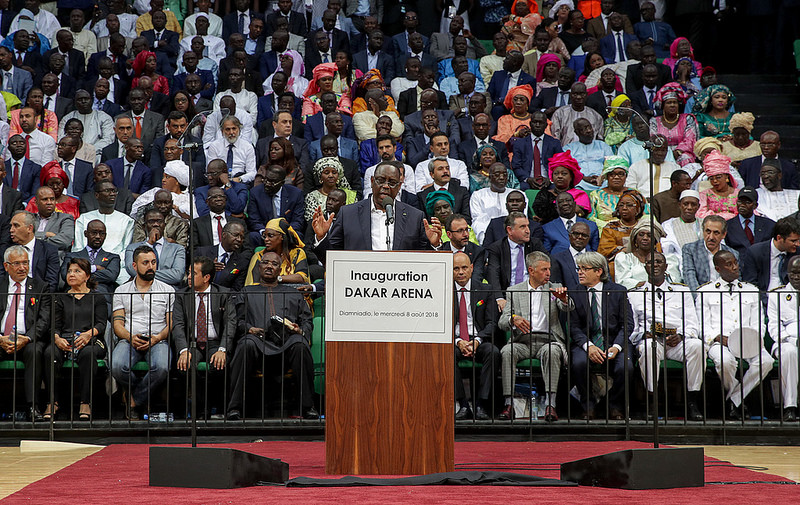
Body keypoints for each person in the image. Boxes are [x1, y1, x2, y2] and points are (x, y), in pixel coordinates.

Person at [226, 251, 317, 420]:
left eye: (274, 264)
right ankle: (234, 408)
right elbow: (237, 321)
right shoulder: (247, 291)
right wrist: (250, 329)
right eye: (265, 263)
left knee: (300, 344)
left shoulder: (293, 293)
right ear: (259, 266)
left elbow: (307, 321)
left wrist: (300, 331)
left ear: (280, 269)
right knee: (246, 343)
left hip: (286, 343)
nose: (269, 266)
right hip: (257, 342)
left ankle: (308, 407)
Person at [696, 250, 773, 420]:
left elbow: (759, 322)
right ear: (718, 268)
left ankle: (734, 398)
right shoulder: (706, 291)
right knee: (725, 361)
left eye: (735, 263)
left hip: (747, 340)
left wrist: (752, 337)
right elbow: (701, 323)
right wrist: (715, 336)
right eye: (729, 264)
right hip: (719, 342)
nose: (735, 267)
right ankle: (737, 401)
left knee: (766, 361)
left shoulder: (750, 290)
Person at [498, 250, 574, 421]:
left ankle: (550, 405)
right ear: (531, 271)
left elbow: (569, 308)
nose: (548, 273)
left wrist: (563, 299)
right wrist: (513, 318)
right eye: (544, 270)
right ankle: (509, 404)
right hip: (523, 341)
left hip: (548, 340)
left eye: (549, 269)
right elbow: (502, 322)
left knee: (552, 351)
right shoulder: (514, 290)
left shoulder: (555, 288)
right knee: (507, 351)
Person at [627, 251, 704, 421]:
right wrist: (644, 335)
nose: (654, 265)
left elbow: (692, 323)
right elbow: (631, 329)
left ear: (666, 266)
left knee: (697, 346)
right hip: (653, 341)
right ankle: (651, 400)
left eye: (659, 261)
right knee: (648, 348)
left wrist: (682, 336)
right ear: (644, 267)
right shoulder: (635, 294)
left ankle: (693, 401)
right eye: (649, 262)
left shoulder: (681, 290)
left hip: (677, 342)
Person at [312, 161, 443, 255]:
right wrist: (321, 237)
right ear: (372, 181)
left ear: (399, 187)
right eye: (381, 180)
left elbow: (425, 261)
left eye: (392, 183)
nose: (386, 186)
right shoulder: (348, 213)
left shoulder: (414, 216)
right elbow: (331, 258)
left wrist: (434, 245)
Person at [111, 245, 174, 420]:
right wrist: (130, 337)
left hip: (158, 338)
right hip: (130, 338)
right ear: (134, 266)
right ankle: (142, 397)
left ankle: (134, 399)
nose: (151, 266)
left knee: (162, 367)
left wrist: (157, 338)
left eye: (153, 262)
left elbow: (171, 324)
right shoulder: (122, 290)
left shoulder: (167, 290)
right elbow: (118, 324)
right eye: (145, 263)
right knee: (117, 365)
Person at [569, 251, 632, 420]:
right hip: (587, 341)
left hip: (613, 341)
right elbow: (574, 327)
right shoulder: (575, 292)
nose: (580, 272)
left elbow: (627, 324)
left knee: (625, 367)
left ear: (599, 271)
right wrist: (588, 346)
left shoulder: (618, 291)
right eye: (579, 268)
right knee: (579, 363)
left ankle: (613, 405)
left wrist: (617, 347)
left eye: (584, 269)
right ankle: (588, 405)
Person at [43, 258, 107, 421]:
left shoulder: (97, 298)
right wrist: (57, 339)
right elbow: (54, 325)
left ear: (87, 276)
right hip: (64, 340)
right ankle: (53, 401)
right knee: (50, 353)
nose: (71, 274)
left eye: (77, 271)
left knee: (88, 354)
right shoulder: (60, 297)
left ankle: (85, 402)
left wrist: (87, 335)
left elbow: (101, 324)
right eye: (70, 271)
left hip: (91, 340)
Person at [171, 256, 237, 415]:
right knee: (185, 366)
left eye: (193, 273)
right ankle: (199, 411)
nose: (188, 277)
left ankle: (216, 409)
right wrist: (183, 350)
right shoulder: (182, 295)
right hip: (192, 343)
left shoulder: (223, 294)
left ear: (206, 277)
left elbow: (231, 323)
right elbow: (178, 325)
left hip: (215, 343)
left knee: (219, 365)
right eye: (188, 273)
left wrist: (223, 349)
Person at [0, 245, 51, 421]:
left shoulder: (40, 286)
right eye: (17, 264)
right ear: (6, 266)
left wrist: (27, 338)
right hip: (2, 337)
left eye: (25, 263)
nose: (22, 267)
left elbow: (44, 320)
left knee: (35, 351)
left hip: (28, 339)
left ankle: (32, 406)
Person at [452, 251, 501, 420]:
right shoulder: (444, 290)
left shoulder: (485, 289)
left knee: (493, 352)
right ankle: (463, 405)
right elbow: (443, 324)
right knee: (447, 354)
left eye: (464, 267)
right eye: (456, 268)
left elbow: (492, 323)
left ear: (472, 268)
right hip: (456, 341)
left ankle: (481, 404)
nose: (460, 272)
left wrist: (478, 341)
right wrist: (458, 341)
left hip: (478, 339)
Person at [766, 255, 800, 422]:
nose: (796, 277)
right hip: (786, 341)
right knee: (790, 352)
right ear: (787, 273)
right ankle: (790, 406)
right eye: (793, 273)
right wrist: (793, 340)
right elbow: (773, 327)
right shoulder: (777, 296)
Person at [485, 211, 547, 298]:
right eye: (522, 227)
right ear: (509, 230)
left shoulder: (535, 244)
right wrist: (499, 298)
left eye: (528, 226)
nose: (528, 231)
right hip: (507, 295)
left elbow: (548, 266)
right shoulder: (497, 248)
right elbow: (493, 274)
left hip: (533, 294)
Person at [741, 217, 800, 305]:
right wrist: (768, 303)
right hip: (762, 301)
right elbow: (750, 284)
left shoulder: (797, 253)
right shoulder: (755, 252)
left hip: (792, 302)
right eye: (793, 241)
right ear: (779, 238)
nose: (798, 244)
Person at [123, 209, 186, 287]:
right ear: (144, 226)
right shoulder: (132, 248)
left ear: (164, 225)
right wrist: (149, 244)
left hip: (168, 291)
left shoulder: (177, 249)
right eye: (151, 221)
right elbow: (132, 270)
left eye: (159, 221)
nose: (156, 224)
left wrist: (145, 273)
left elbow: (177, 275)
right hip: (139, 290)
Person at [614, 221, 681, 288]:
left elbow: (674, 281)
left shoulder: (668, 259)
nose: (645, 238)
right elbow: (622, 281)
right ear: (635, 240)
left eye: (649, 235)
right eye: (641, 235)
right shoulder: (624, 258)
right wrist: (646, 286)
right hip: (634, 295)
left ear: (655, 241)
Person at [682, 215, 739, 294]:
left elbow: (736, 281)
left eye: (716, 233)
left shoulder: (732, 254)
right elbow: (690, 278)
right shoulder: (690, 249)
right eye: (708, 232)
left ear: (723, 235)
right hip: (701, 297)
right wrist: (700, 299)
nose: (711, 237)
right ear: (703, 231)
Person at [597, 189, 646, 276]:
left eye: (629, 205)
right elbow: (605, 250)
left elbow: (655, 247)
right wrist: (628, 251)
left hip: (643, 260)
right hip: (618, 262)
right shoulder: (611, 228)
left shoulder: (645, 227)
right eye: (621, 205)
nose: (624, 208)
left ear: (638, 209)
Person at [510, 111, 563, 190]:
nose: (537, 125)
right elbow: (516, 166)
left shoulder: (554, 143)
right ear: (530, 124)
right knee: (523, 187)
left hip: (548, 180)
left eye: (540, 123)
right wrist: (528, 179)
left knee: (556, 188)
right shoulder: (519, 143)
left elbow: (560, 164)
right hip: (527, 180)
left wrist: (551, 179)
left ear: (545, 125)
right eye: (535, 122)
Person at [532, 151, 591, 221]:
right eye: (556, 174)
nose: (559, 176)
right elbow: (540, 212)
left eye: (564, 174)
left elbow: (581, 214)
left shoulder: (580, 194)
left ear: (571, 177)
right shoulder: (544, 194)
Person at [194, 220, 251, 292]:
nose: (239, 240)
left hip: (224, 300)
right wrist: (208, 269)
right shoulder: (202, 252)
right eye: (236, 235)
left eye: (242, 237)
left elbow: (236, 290)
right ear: (224, 235)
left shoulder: (241, 261)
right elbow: (192, 279)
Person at [649, 83, 696, 167]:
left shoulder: (687, 119)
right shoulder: (654, 121)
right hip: (661, 153)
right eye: (669, 103)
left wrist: (678, 151)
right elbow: (654, 139)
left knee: (685, 158)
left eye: (675, 102)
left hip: (682, 153)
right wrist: (666, 153)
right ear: (663, 106)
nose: (672, 105)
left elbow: (690, 140)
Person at [204, 115, 256, 185]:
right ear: (222, 131)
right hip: (219, 182)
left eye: (234, 129)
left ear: (239, 130)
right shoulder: (215, 146)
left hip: (240, 182)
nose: (231, 132)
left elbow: (252, 173)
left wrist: (239, 179)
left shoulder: (247, 147)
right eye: (228, 129)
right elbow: (210, 170)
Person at [563, 118, 612, 191]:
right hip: (580, 181)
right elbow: (567, 168)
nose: (589, 130)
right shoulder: (568, 149)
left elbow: (611, 164)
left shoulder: (603, 146)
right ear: (577, 132)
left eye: (590, 127)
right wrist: (583, 177)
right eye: (584, 128)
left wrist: (602, 177)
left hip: (603, 181)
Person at [724, 187, 775, 257]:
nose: (742, 205)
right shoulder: (727, 226)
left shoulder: (769, 225)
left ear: (755, 205)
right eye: (740, 201)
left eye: (747, 202)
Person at [661, 189, 702, 269]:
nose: (689, 208)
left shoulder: (705, 223)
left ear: (698, 207)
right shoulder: (668, 225)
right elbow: (667, 250)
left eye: (693, 204)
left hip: (702, 264)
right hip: (678, 264)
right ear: (679, 205)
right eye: (686, 204)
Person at [589, 156, 634, 229]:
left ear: (626, 176)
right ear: (607, 176)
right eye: (612, 174)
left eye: (621, 174)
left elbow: (646, 216)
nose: (616, 177)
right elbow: (591, 218)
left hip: (632, 232)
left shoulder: (634, 194)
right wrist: (612, 227)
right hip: (605, 232)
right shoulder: (596, 195)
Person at [29, 185, 74, 254]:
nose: (49, 202)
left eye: (52, 199)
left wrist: (32, 240)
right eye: (45, 199)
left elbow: (64, 242)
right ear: (36, 202)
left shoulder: (65, 218)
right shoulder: (29, 218)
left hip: (54, 259)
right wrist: (45, 235)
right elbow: (21, 236)